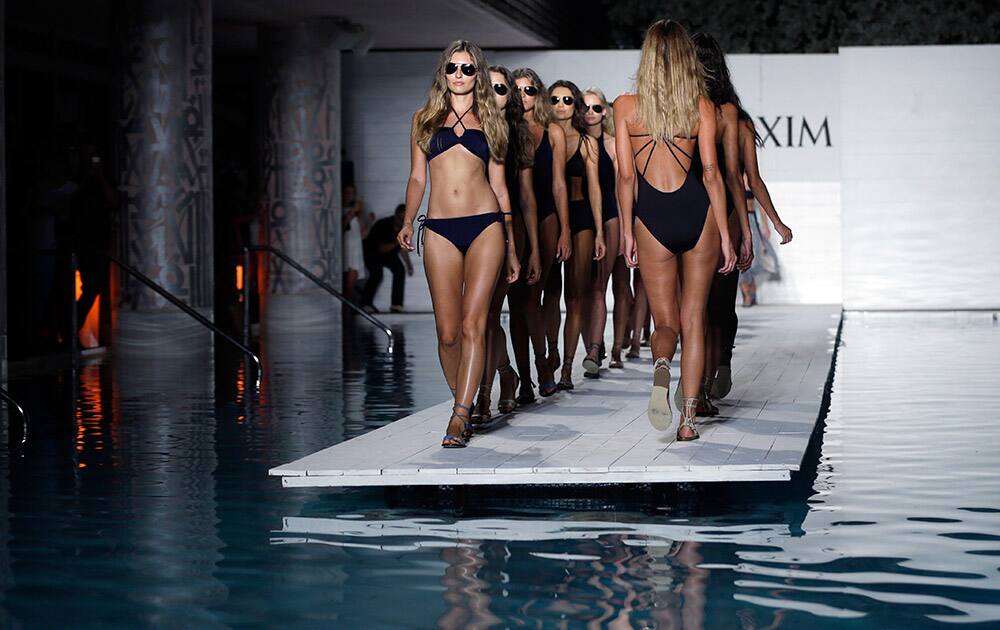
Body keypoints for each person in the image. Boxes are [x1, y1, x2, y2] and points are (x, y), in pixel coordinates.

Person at [614, 19, 735, 441]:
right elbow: (711, 173)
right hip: (696, 212)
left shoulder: (625, 107)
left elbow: (626, 178)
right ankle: (687, 421)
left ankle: (661, 371)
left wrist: (628, 232)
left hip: (652, 218)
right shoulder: (702, 106)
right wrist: (725, 233)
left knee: (665, 321)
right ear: (686, 59)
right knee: (695, 319)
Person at [396, 40, 519, 448]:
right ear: (443, 72)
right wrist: (407, 219)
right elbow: (418, 178)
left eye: (468, 68)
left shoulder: (494, 120)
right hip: (440, 229)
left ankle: (459, 415)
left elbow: (500, 188)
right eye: (453, 67)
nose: (460, 75)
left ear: (478, 73)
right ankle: (461, 400)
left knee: (474, 324)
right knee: (447, 334)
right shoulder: (423, 119)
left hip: (486, 226)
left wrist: (514, 246)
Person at [472, 65, 541, 425]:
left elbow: (526, 198)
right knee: (476, 319)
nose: (497, 93)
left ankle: (484, 395)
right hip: (469, 228)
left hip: (505, 228)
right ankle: (505, 372)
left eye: (503, 89)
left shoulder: (518, 134)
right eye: (492, 87)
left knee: (488, 315)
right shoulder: (467, 126)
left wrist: (530, 248)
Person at [512, 67, 571, 400]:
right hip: (511, 217)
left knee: (531, 297)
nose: (523, 96)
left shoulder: (553, 133)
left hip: (546, 215)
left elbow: (559, 184)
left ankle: (542, 366)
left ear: (539, 95)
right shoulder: (503, 130)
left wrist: (564, 230)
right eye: (517, 90)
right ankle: (523, 379)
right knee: (515, 302)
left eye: (530, 90)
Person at [549, 80, 605, 390]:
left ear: (575, 106)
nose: (560, 105)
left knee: (575, 294)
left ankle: (567, 368)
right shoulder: (541, 137)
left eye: (567, 99)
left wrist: (599, 231)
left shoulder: (587, 143)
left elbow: (595, 189)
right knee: (548, 295)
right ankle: (551, 354)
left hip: (581, 216)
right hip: (549, 216)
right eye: (554, 99)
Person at [580, 87, 632, 375]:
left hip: (613, 216)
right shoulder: (576, 141)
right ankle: (595, 347)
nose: (590, 112)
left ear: (605, 112)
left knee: (613, 284)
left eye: (596, 108)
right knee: (588, 287)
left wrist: (627, 227)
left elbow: (622, 185)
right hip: (582, 218)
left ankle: (605, 348)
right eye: (586, 107)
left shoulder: (613, 145)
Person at [361, 204, 413, 314]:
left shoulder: (405, 228)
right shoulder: (383, 225)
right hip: (373, 252)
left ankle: (396, 304)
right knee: (377, 273)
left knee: (399, 270)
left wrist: (408, 265)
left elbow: (403, 249)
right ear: (395, 216)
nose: (402, 221)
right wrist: (396, 242)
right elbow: (381, 248)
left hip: (389, 254)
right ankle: (365, 303)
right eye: (400, 218)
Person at [342, 184, 369, 305]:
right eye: (346, 192)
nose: (349, 196)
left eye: (351, 193)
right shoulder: (338, 209)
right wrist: (353, 211)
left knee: (350, 289)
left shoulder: (357, 214)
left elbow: (362, 235)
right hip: (344, 251)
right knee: (345, 288)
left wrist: (369, 222)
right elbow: (340, 227)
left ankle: (348, 318)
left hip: (354, 252)